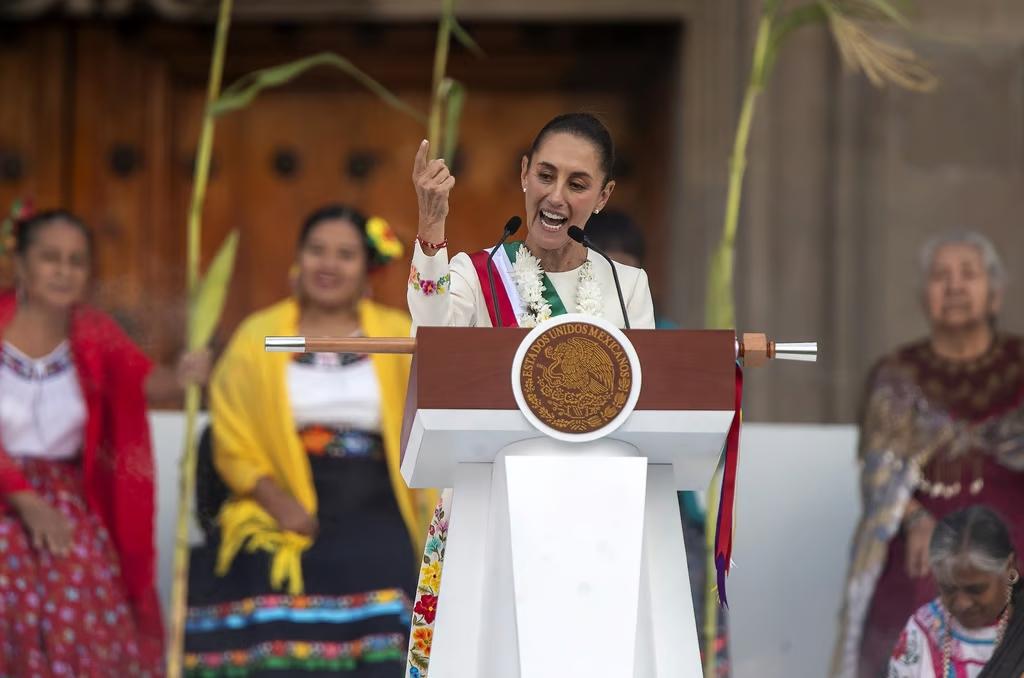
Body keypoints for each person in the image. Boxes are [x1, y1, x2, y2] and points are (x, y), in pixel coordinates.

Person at [404, 113, 655, 677]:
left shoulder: (625, 285)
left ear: (604, 195)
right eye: (545, 175)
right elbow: (433, 328)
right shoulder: (476, 273)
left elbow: (647, 399)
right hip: (489, 507)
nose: (556, 196)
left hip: (594, 519)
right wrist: (432, 224)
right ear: (523, 175)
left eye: (577, 183)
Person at [184, 205, 437, 677]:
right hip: (278, 494)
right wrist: (277, 501)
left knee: (385, 564)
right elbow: (231, 437)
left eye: (345, 254)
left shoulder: (397, 335)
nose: (328, 264)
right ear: (299, 259)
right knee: (256, 566)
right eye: (317, 250)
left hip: (376, 497)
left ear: (367, 268)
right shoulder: (259, 335)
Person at [0, 209, 209, 676]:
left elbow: (146, 385)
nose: (64, 270)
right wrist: (27, 502)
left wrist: (184, 375)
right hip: (9, 493)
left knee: (78, 586)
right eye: (50, 258)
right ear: (21, 262)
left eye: (76, 261)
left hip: (67, 496)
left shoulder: (93, 331)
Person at [832, 231, 1024, 678]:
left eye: (968, 274)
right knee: (924, 584)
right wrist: (916, 520)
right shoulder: (897, 375)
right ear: (925, 298)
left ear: (994, 294)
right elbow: (878, 468)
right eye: (941, 276)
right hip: (924, 539)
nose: (954, 286)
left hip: (1013, 537)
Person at [585, 207, 728, 675]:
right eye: (607, 269)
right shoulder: (557, 339)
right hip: (584, 518)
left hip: (665, 512)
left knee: (671, 646)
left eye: (629, 271)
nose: (618, 284)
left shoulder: (667, 339)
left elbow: (710, 407)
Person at [888, 506, 1022, 677]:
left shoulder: (1019, 629)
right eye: (948, 589)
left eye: (975, 589)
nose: (962, 603)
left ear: (1008, 567)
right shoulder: (921, 632)